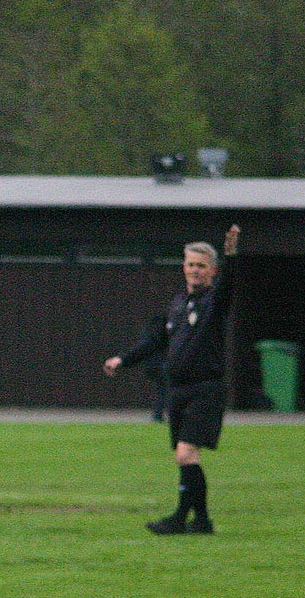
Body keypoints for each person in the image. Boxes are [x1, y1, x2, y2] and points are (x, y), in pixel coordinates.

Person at [103, 224, 240, 534]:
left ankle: (180, 518)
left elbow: (228, 285)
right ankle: (202, 521)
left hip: (205, 389)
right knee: (185, 457)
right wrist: (123, 360)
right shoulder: (177, 305)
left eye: (201, 266)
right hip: (177, 390)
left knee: (185, 453)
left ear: (212, 271)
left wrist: (231, 255)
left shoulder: (213, 304)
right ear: (183, 267)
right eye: (190, 264)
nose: (195, 270)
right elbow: (153, 341)